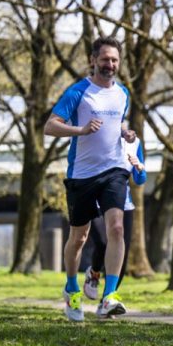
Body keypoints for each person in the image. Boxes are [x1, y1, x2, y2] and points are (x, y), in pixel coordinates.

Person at [45, 36, 136, 321]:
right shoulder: (78, 92)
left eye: (115, 60)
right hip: (82, 174)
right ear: (93, 60)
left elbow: (118, 120)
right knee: (79, 237)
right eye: (105, 59)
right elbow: (50, 126)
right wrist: (80, 130)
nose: (110, 65)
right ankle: (72, 287)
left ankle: (109, 296)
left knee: (117, 228)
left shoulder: (123, 93)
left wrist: (125, 132)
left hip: (114, 169)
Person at [83, 138, 147, 300]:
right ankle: (94, 273)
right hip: (95, 202)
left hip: (123, 204)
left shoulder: (134, 142)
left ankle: (108, 298)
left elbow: (140, 179)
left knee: (121, 255)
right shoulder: (96, 136)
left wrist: (139, 168)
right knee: (103, 244)